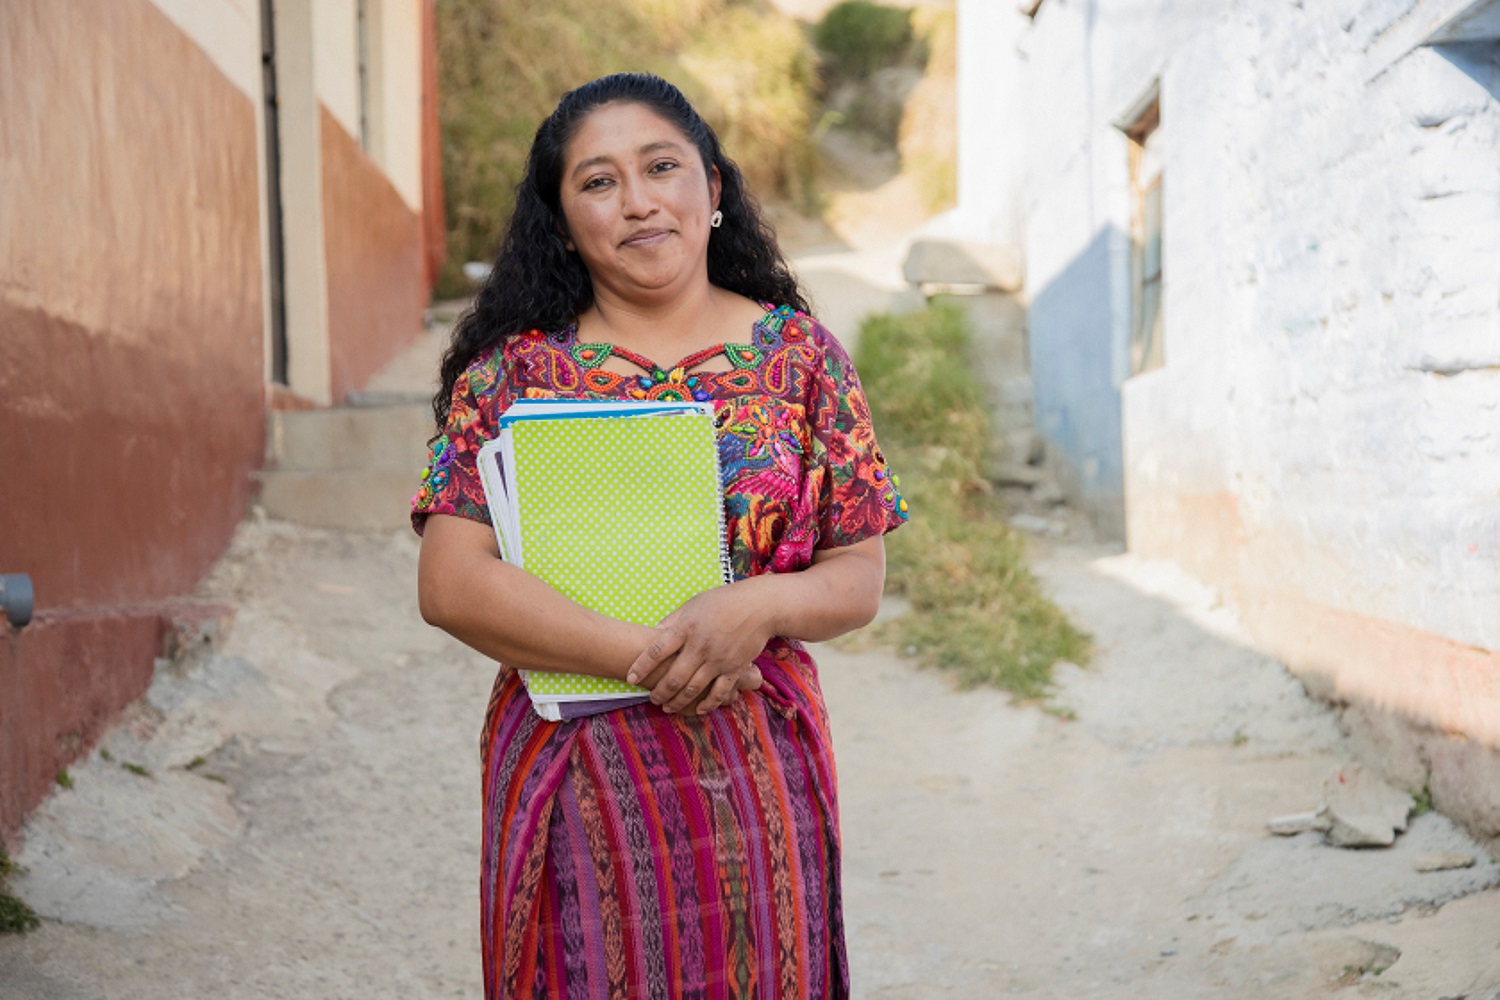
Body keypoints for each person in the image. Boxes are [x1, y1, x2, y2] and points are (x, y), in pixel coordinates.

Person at [413, 72, 907, 999]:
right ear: (562, 224)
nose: (637, 201)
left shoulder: (800, 359)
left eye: (662, 167)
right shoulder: (515, 376)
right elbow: (451, 584)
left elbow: (857, 573)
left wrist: (755, 606)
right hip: (575, 763)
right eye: (597, 182)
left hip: (755, 762)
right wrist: (657, 655)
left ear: (712, 190)